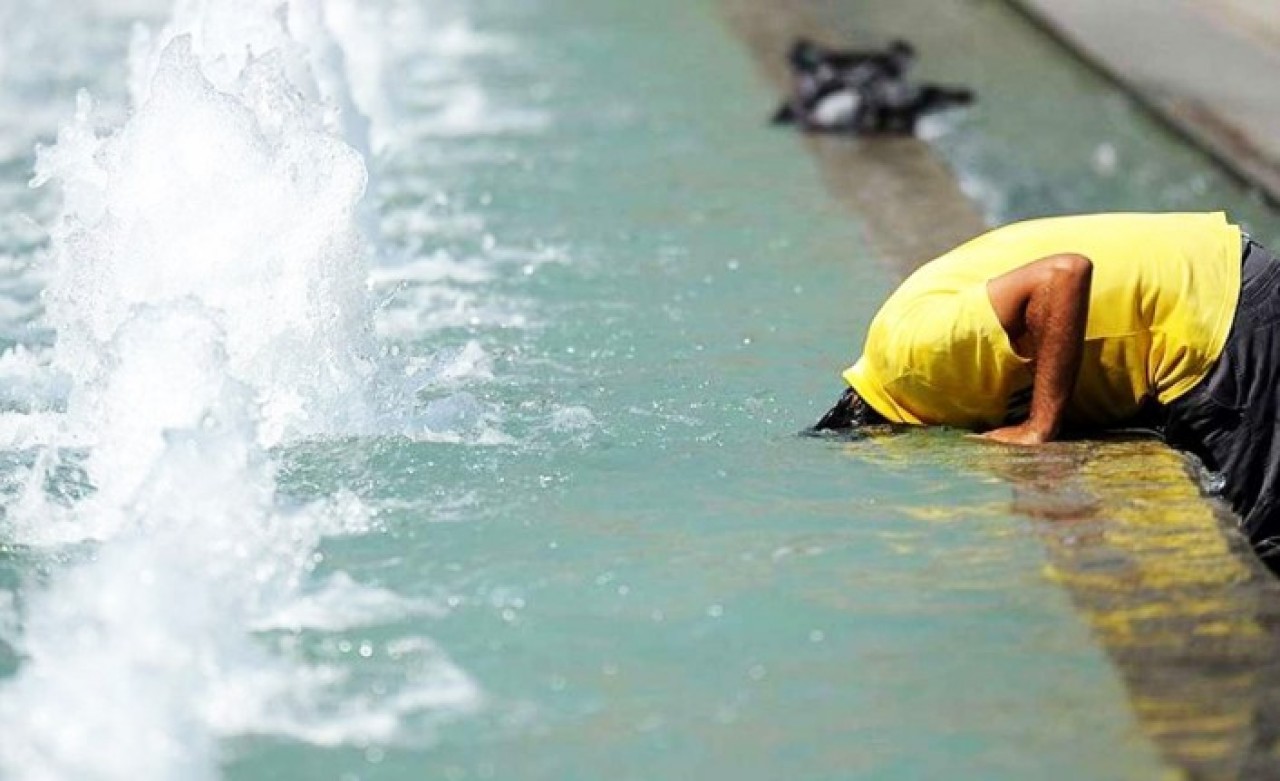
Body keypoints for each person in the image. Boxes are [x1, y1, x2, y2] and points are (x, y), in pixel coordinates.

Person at [815, 211, 1280, 564]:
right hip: (1208, 276)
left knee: (1256, 543)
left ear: (880, 432)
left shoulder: (912, 362)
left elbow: (1063, 275)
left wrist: (1040, 426)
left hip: (1213, 311)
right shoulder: (897, 354)